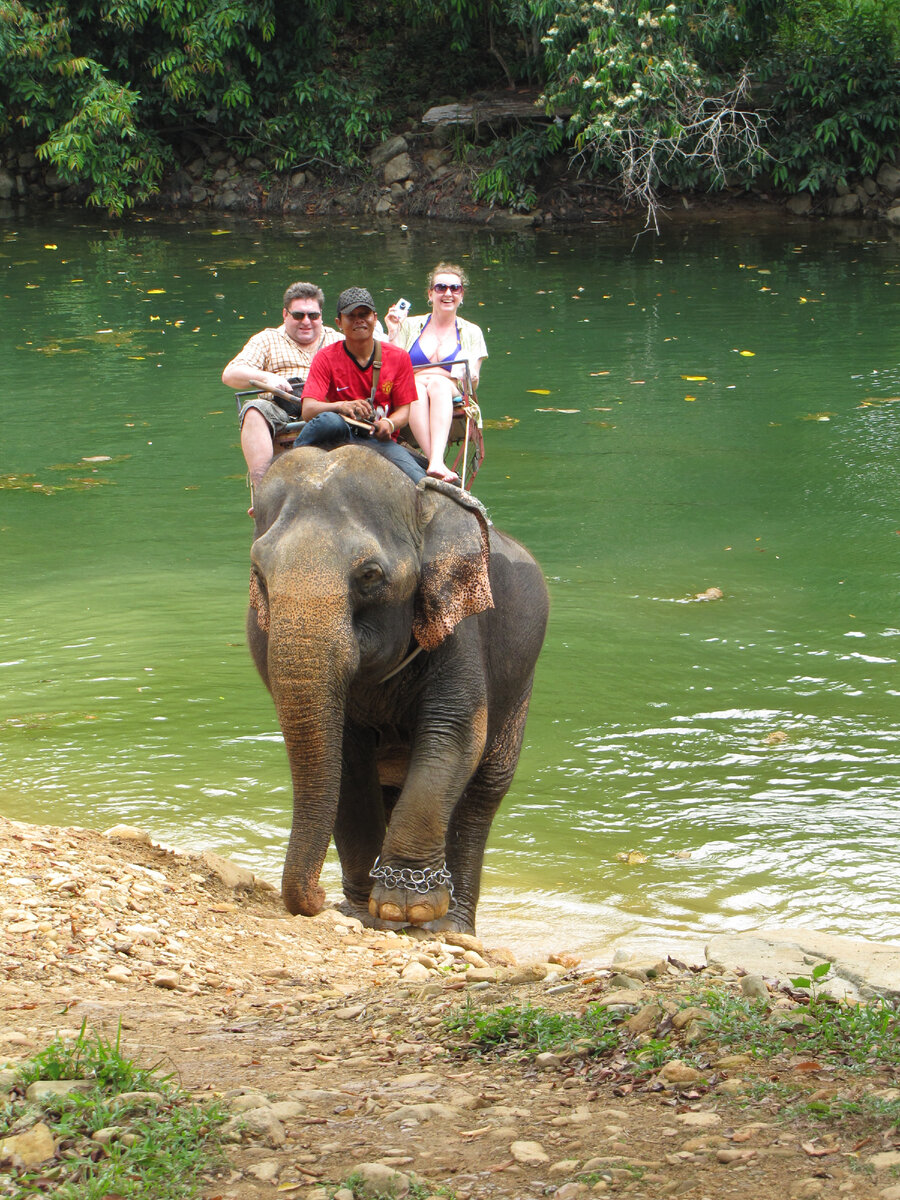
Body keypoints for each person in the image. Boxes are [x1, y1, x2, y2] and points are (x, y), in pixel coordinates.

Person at [295, 287, 426, 484]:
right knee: (330, 421)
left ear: (375, 317)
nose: (359, 320)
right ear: (339, 322)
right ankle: (292, 467)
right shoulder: (325, 357)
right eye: (351, 315)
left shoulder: (399, 357)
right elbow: (309, 409)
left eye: (364, 314)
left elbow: (404, 411)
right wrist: (341, 406)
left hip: (378, 440)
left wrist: (388, 424)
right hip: (339, 435)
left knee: (420, 481)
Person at [222, 282, 342, 486]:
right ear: (285, 314)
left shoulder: (337, 340)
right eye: (298, 315)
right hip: (281, 408)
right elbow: (230, 374)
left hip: (326, 407)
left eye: (313, 316)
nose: (306, 322)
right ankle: (263, 489)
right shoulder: (267, 339)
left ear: (321, 316)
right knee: (253, 409)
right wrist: (268, 378)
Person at [386, 262, 487, 485]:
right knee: (418, 387)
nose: (448, 293)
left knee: (438, 385)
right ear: (430, 294)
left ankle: (433, 460)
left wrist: (435, 374)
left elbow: (472, 381)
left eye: (455, 288)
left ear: (462, 295)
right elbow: (391, 367)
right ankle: (436, 462)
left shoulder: (472, 331)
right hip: (413, 386)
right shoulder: (410, 325)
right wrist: (393, 334)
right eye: (441, 288)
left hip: (450, 387)